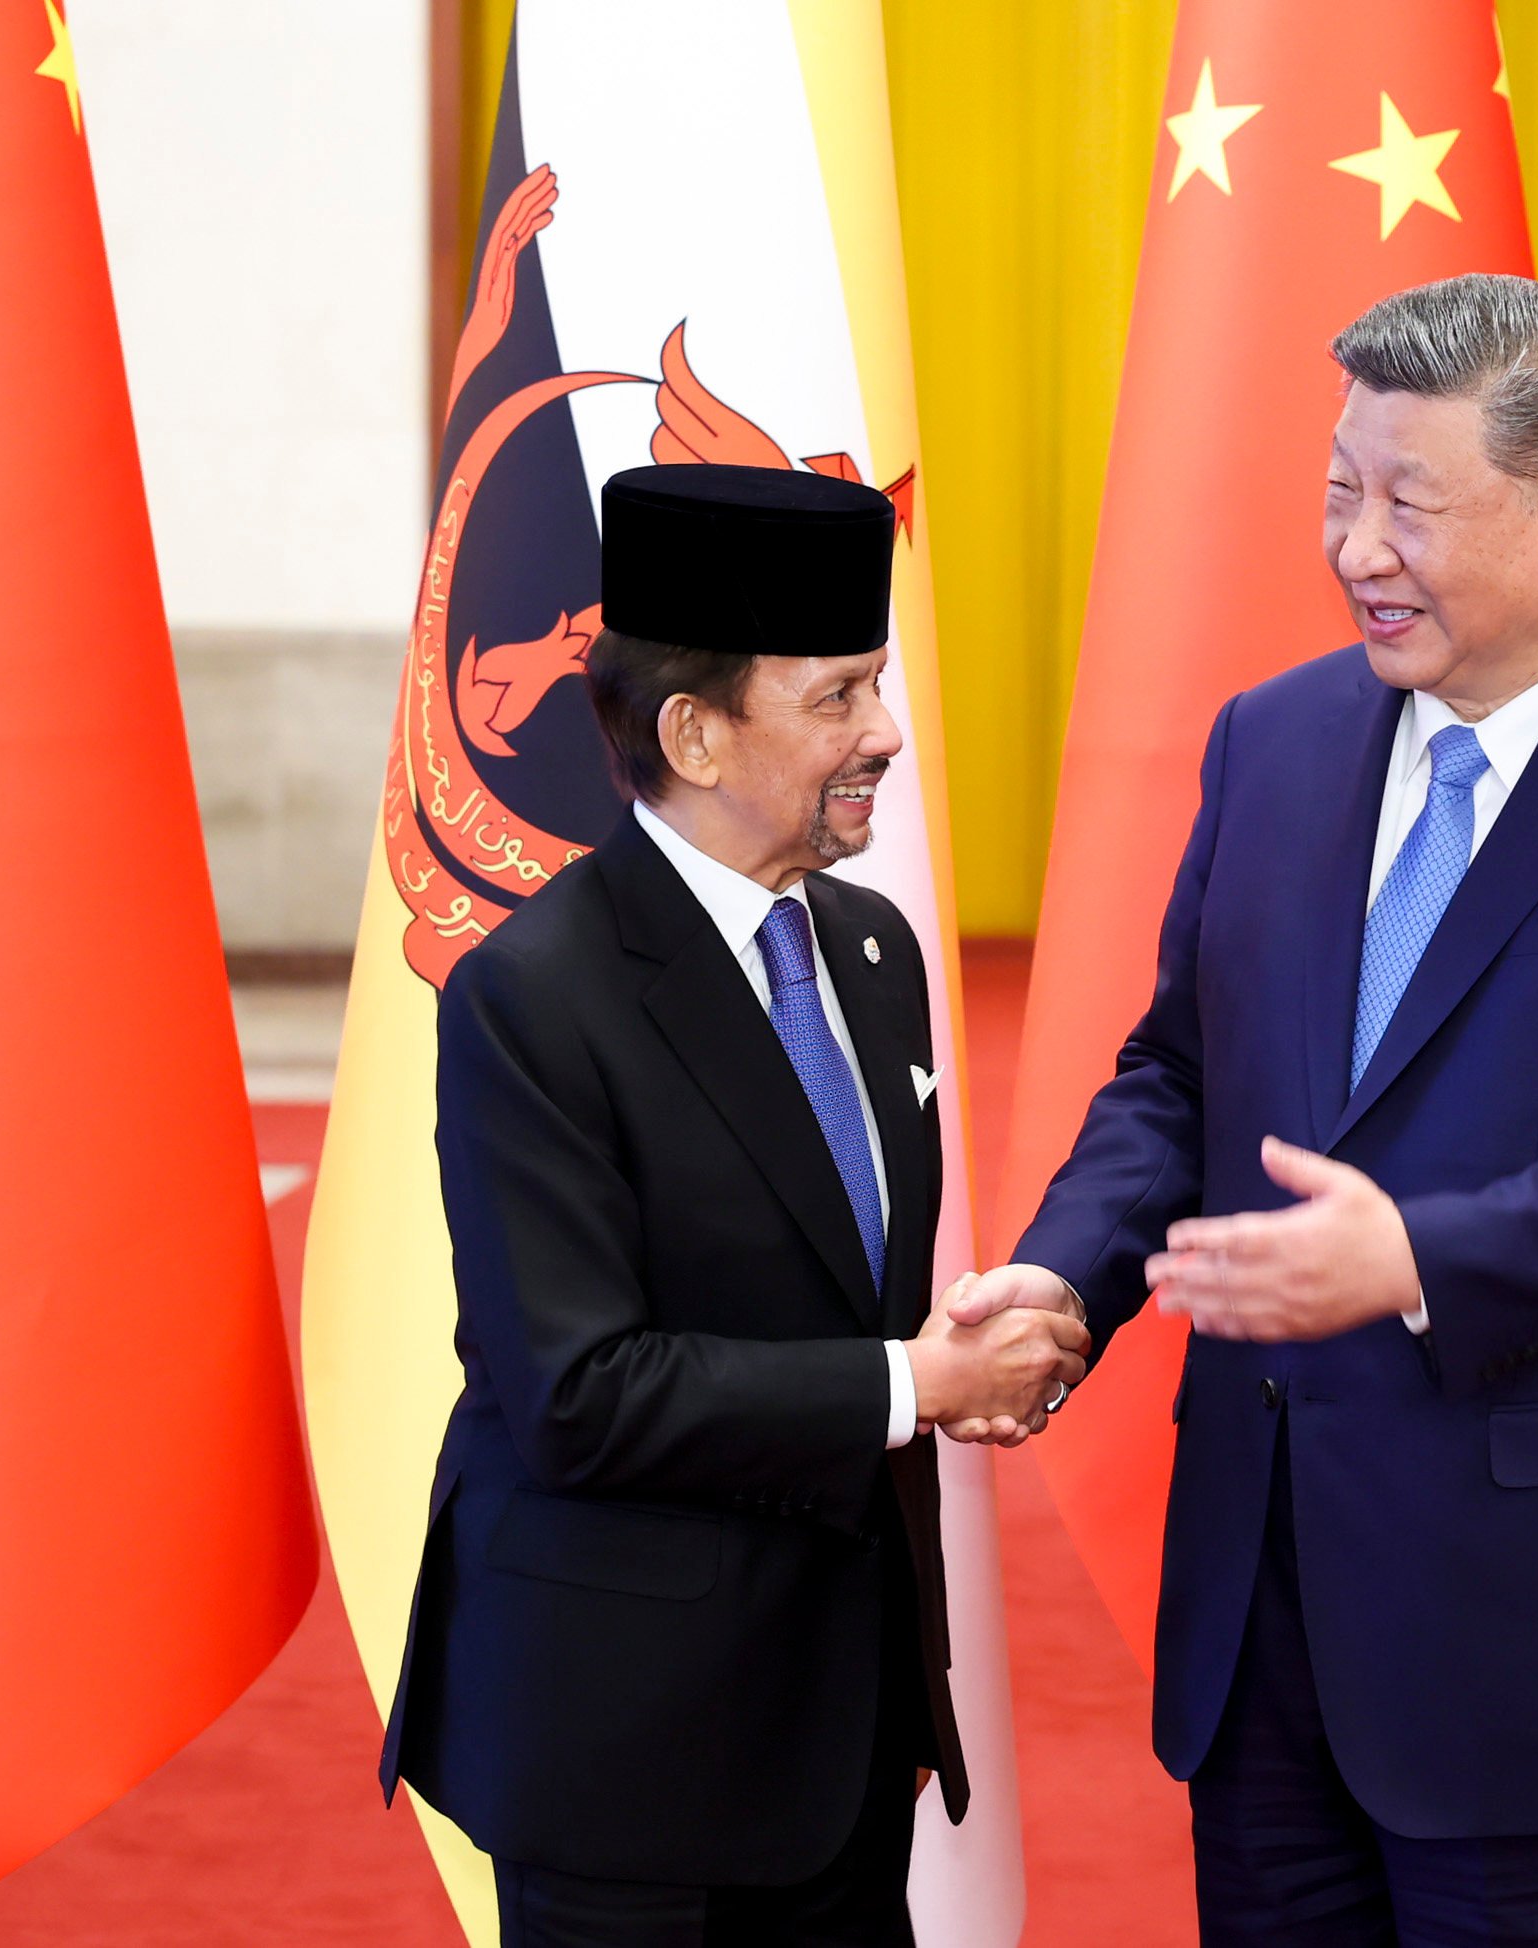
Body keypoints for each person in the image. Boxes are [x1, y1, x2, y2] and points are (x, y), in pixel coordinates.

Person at [951, 276, 1538, 1945]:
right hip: (1269, 1631)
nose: (1356, 546)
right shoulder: (1278, 743)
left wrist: (1416, 1259)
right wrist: (1068, 1275)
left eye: (1408, 503)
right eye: (1337, 490)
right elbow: (1182, 1068)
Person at [382, 463, 1089, 1948]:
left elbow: (839, 1284)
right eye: (838, 698)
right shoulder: (535, 996)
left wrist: (964, 1347)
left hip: (841, 1734)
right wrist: (919, 1382)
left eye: (879, 688)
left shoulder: (875, 952)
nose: (885, 735)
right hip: (630, 1755)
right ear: (696, 732)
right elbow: (580, 1392)